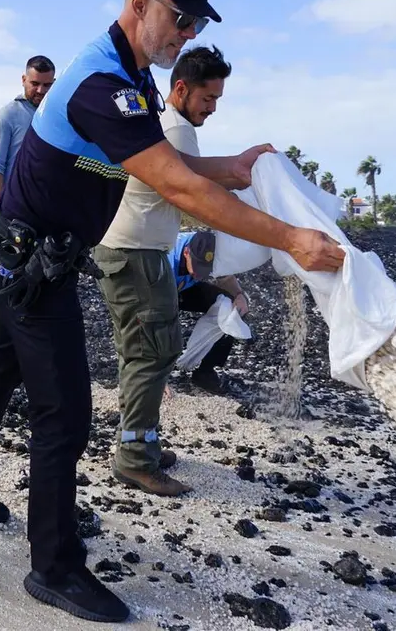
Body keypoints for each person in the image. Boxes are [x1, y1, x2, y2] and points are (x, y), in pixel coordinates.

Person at [0, 0, 344, 623]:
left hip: (35, 250)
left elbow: (164, 163)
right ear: (138, 4)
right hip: (30, 258)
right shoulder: (103, 81)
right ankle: (53, 567)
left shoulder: (131, 78)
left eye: (196, 21)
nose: (186, 33)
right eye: (180, 18)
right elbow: (177, 188)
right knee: (62, 411)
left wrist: (232, 168)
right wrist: (288, 240)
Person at [95, 44, 236, 496]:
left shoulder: (163, 121)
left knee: (144, 351)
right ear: (181, 88)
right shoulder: (175, 129)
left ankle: (142, 445)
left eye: (216, 100)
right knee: (151, 354)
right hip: (135, 252)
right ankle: (135, 459)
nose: (212, 109)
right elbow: (191, 192)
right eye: (207, 99)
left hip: (135, 249)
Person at [169, 230, 249, 392]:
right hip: (157, 287)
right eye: (198, 266)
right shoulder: (167, 258)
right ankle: (153, 375)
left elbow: (225, 278)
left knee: (230, 306)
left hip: (186, 288)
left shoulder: (213, 251)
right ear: (186, 252)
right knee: (161, 322)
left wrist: (239, 296)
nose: (201, 274)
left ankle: (205, 371)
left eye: (206, 269)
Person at [0, 55, 55, 207]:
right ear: (23, 80)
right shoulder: (7, 115)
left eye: (47, 85)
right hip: (15, 208)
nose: (40, 90)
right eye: (35, 84)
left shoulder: (56, 116)